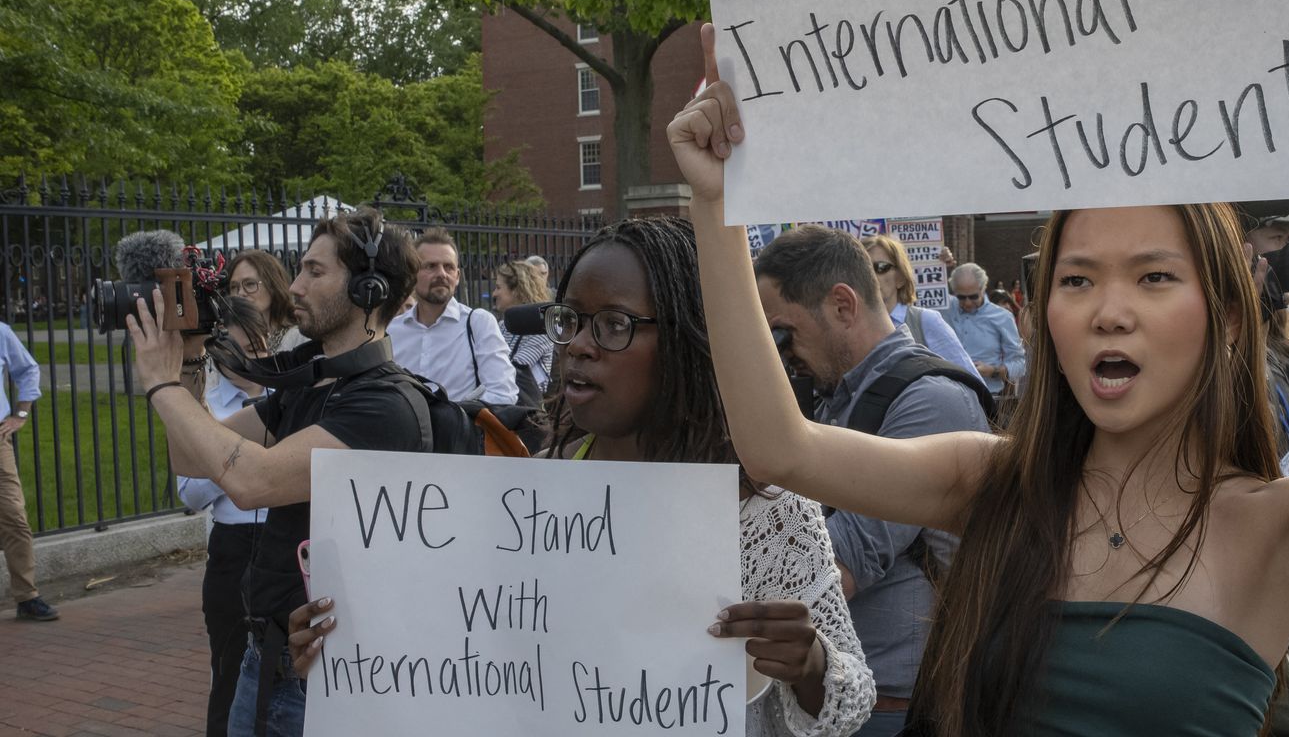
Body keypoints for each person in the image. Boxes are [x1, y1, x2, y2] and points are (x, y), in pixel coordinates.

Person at [667, 0, 1289, 736]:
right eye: (1078, 278)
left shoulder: (1278, 525)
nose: (1109, 308)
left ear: (1230, 321)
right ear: (1045, 314)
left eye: (1154, 277)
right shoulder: (993, 484)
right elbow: (780, 448)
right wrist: (717, 208)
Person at [285, 216, 878, 736]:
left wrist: (811, 663)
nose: (579, 348)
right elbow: (463, 665)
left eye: (615, 325)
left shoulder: (760, 507)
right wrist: (347, 649)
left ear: (687, 343)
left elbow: (850, 703)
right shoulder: (527, 497)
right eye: (570, 321)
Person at [127, 210, 435, 736]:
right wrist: (189, 362)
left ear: (368, 289)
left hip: (327, 673)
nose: (294, 286)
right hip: (267, 652)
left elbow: (253, 482)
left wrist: (159, 385)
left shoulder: (385, 405)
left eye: (315, 272)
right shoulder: (312, 386)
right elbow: (193, 459)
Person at [755, 226, 996, 737]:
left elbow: (838, 566)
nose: (780, 352)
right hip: (830, 692)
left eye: (783, 333)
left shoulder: (932, 400)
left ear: (843, 305)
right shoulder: (829, 396)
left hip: (896, 702)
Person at [176, 250, 306, 736]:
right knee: (229, 675)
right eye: (232, 349)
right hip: (232, 553)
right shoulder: (205, 407)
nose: (244, 359)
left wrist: (240, 449)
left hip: (285, 547)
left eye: (255, 348)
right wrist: (240, 459)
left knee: (290, 679)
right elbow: (189, 492)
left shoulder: (287, 400)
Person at [388, 227, 517, 404]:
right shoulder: (391, 331)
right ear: (412, 274)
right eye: (431, 266)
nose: (441, 274)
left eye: (448, 267)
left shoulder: (478, 323)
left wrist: (457, 419)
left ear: (457, 276)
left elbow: (503, 394)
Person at [862, 235, 979, 380]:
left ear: (900, 278)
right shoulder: (853, 328)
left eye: (880, 268)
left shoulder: (925, 321)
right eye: (864, 269)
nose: (871, 276)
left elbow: (971, 380)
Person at [1, 320, 55, 621]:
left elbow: (27, 369)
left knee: (13, 516)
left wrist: (21, 413)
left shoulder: (0, 332)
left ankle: (27, 597)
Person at [942, 262, 1026, 398]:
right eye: (961, 297)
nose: (968, 302)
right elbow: (919, 291)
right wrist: (939, 263)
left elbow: (1019, 364)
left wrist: (993, 371)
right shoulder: (945, 308)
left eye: (973, 296)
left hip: (987, 394)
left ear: (983, 289)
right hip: (949, 394)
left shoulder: (1002, 317)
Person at [492, 258, 555, 391]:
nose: (494, 293)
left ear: (516, 290)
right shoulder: (502, 326)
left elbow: (515, 369)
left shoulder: (541, 328)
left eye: (498, 287)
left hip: (526, 408)